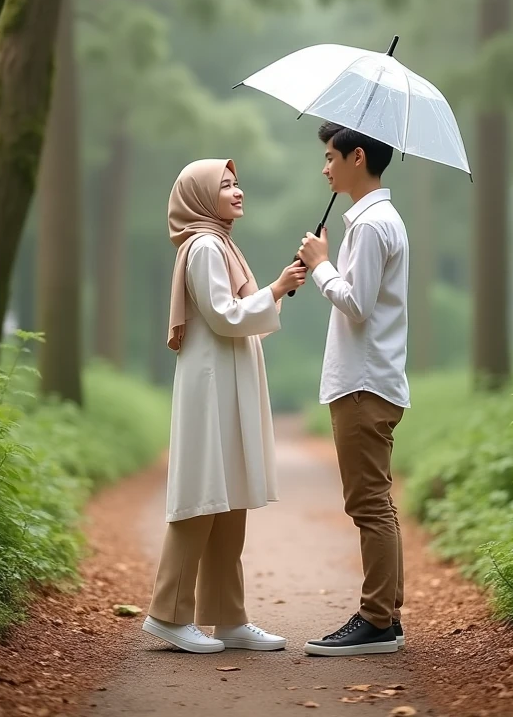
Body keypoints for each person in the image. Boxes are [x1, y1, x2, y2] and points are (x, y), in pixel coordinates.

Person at [142, 158, 306, 654]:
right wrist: (275, 288)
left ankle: (228, 617)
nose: (237, 192)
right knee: (201, 495)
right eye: (226, 185)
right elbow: (222, 314)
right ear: (198, 196)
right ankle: (168, 615)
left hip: (226, 382)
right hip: (210, 385)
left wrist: (278, 288)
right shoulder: (206, 246)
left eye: (238, 183)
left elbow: (236, 313)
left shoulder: (222, 243)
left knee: (228, 495)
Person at [297, 122, 410, 657]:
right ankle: (387, 613)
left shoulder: (369, 225)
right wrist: (326, 263)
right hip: (373, 380)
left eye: (329, 156)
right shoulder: (378, 220)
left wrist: (321, 267)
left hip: (364, 384)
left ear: (356, 157)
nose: (324, 167)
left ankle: (376, 620)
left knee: (367, 505)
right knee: (376, 502)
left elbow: (357, 304)